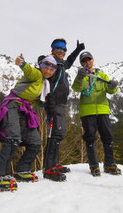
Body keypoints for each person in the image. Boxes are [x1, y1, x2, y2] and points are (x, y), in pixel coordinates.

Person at [0, 54, 57, 191]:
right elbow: (29, 70)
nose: (48, 70)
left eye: (52, 69)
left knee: (35, 142)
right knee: (12, 139)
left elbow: (37, 102)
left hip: (24, 110)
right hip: (12, 105)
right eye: (46, 66)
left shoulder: (44, 85)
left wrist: (47, 103)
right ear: (41, 66)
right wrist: (22, 64)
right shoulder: (37, 75)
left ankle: (22, 170)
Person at [41, 39, 85, 181]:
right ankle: (48, 168)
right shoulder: (51, 63)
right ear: (52, 49)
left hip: (61, 104)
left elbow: (70, 61)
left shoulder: (60, 64)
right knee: (55, 134)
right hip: (54, 103)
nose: (62, 51)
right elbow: (47, 84)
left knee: (59, 133)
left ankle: (54, 163)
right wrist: (51, 105)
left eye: (64, 49)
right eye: (58, 48)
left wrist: (77, 50)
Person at [71, 51, 121, 177]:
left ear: (93, 60)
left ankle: (110, 164)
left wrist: (113, 86)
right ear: (81, 63)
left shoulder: (102, 75)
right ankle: (94, 165)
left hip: (103, 110)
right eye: (84, 61)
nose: (87, 62)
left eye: (89, 59)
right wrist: (79, 77)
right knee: (90, 138)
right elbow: (76, 88)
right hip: (87, 112)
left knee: (107, 137)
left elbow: (111, 90)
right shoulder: (81, 76)